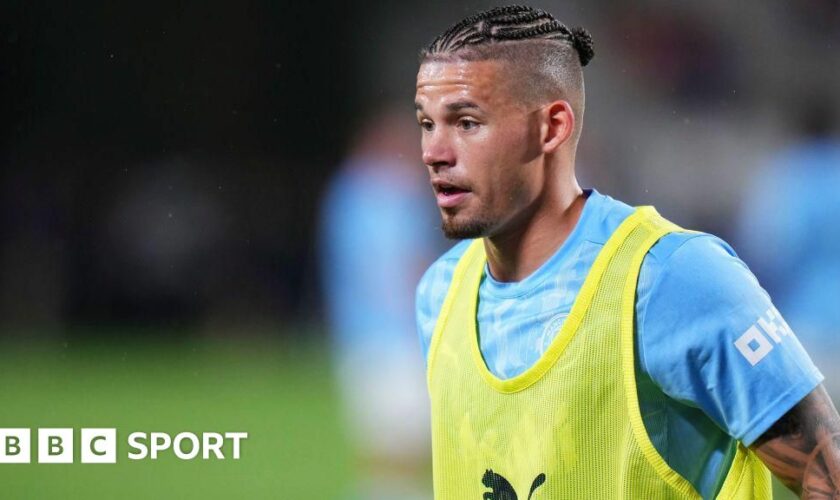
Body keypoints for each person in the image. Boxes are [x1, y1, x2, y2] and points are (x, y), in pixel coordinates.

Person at [413, 5, 840, 499]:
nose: (434, 151)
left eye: (466, 122)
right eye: (427, 123)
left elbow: (824, 472)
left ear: (551, 128)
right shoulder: (440, 295)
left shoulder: (672, 280)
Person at [320, 105, 441, 499]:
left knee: (384, 449)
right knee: (407, 450)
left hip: (358, 334)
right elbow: (407, 265)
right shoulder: (393, 196)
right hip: (398, 334)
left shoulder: (345, 192)